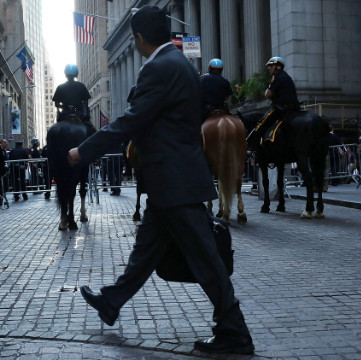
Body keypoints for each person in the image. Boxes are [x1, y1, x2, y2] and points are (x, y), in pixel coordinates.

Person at [67, 6, 253, 355]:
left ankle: (235, 332)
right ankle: (112, 301)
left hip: (174, 180)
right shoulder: (182, 63)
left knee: (206, 260)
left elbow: (131, 121)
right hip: (171, 178)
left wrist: (84, 151)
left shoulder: (159, 67)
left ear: (138, 38)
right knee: (146, 250)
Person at [246, 56, 299, 143]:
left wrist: (267, 91)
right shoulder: (286, 76)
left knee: (260, 124)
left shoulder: (277, 77)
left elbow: (268, 94)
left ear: (278, 66)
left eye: (271, 66)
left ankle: (252, 147)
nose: (269, 68)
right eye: (269, 66)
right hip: (294, 108)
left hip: (281, 109)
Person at [52, 64, 94, 130]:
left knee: (53, 130)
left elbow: (56, 104)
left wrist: (64, 106)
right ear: (76, 74)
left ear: (65, 74)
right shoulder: (81, 86)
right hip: (79, 114)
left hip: (64, 114)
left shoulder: (60, 87)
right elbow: (86, 102)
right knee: (91, 129)